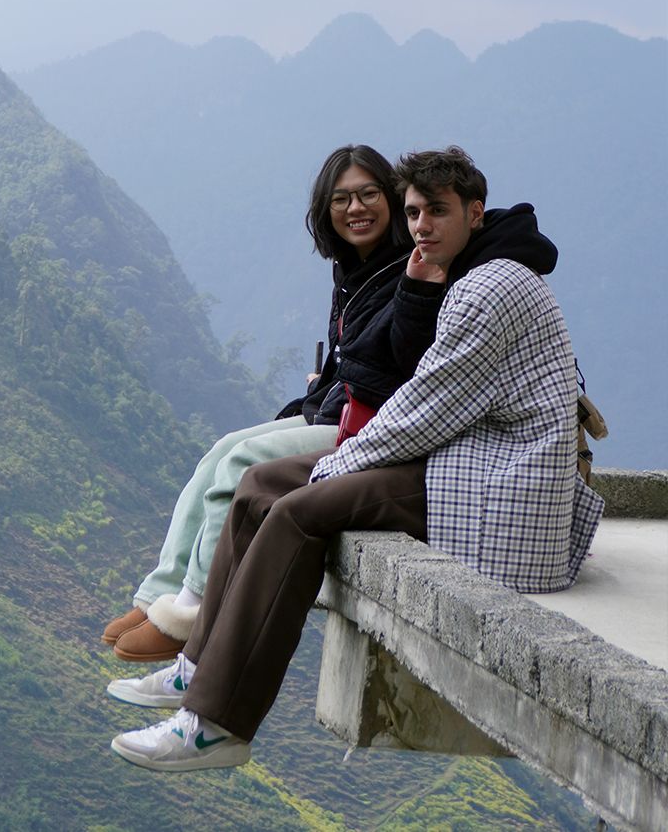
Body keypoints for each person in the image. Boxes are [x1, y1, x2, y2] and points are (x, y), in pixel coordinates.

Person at [109, 146, 605, 772]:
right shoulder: (459, 272)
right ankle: (195, 666)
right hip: (455, 459)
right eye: (417, 212)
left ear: (475, 213)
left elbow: (424, 409)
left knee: (296, 513)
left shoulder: (489, 288)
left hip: (489, 484)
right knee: (260, 482)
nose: (423, 226)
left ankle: (216, 725)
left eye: (439, 212)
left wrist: (335, 466)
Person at [104, 144, 444, 662]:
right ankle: (158, 597)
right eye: (341, 199)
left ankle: (189, 614)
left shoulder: (412, 268)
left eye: (369, 194)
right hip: (339, 409)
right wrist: (318, 390)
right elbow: (351, 357)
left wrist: (417, 295)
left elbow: (400, 362)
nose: (357, 208)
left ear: (394, 200)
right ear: (325, 211)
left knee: (241, 465)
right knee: (218, 453)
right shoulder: (357, 270)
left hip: (372, 428)